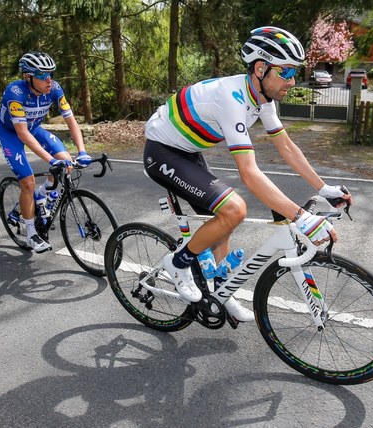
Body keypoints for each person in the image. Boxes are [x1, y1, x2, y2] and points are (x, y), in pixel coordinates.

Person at [143, 26, 353, 320]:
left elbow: (287, 148)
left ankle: (221, 290)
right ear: (260, 68)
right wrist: (302, 217)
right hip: (162, 151)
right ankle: (177, 264)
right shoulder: (231, 97)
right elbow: (249, 173)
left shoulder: (262, 98)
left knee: (223, 221)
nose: (292, 82)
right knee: (234, 210)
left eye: (295, 73)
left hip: (188, 153)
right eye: (287, 73)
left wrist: (324, 188)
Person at [0, 51, 92, 253]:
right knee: (28, 181)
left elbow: (71, 121)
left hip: (34, 128)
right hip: (11, 133)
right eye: (41, 75)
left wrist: (82, 151)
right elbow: (22, 134)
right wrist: (49, 160)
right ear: (27, 77)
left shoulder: (54, 89)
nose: (49, 80)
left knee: (66, 163)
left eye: (51, 74)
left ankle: (42, 194)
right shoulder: (15, 92)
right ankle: (31, 233)